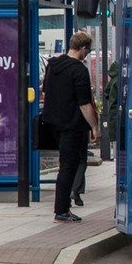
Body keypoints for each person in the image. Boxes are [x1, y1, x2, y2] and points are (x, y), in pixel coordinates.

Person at [41, 31, 100, 223]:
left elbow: (46, 90)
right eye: (88, 51)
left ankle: (62, 207)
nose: (87, 54)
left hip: (53, 124)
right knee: (68, 167)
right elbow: (84, 104)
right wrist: (94, 127)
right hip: (72, 125)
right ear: (83, 49)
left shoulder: (52, 65)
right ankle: (62, 210)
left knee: (64, 166)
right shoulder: (79, 70)